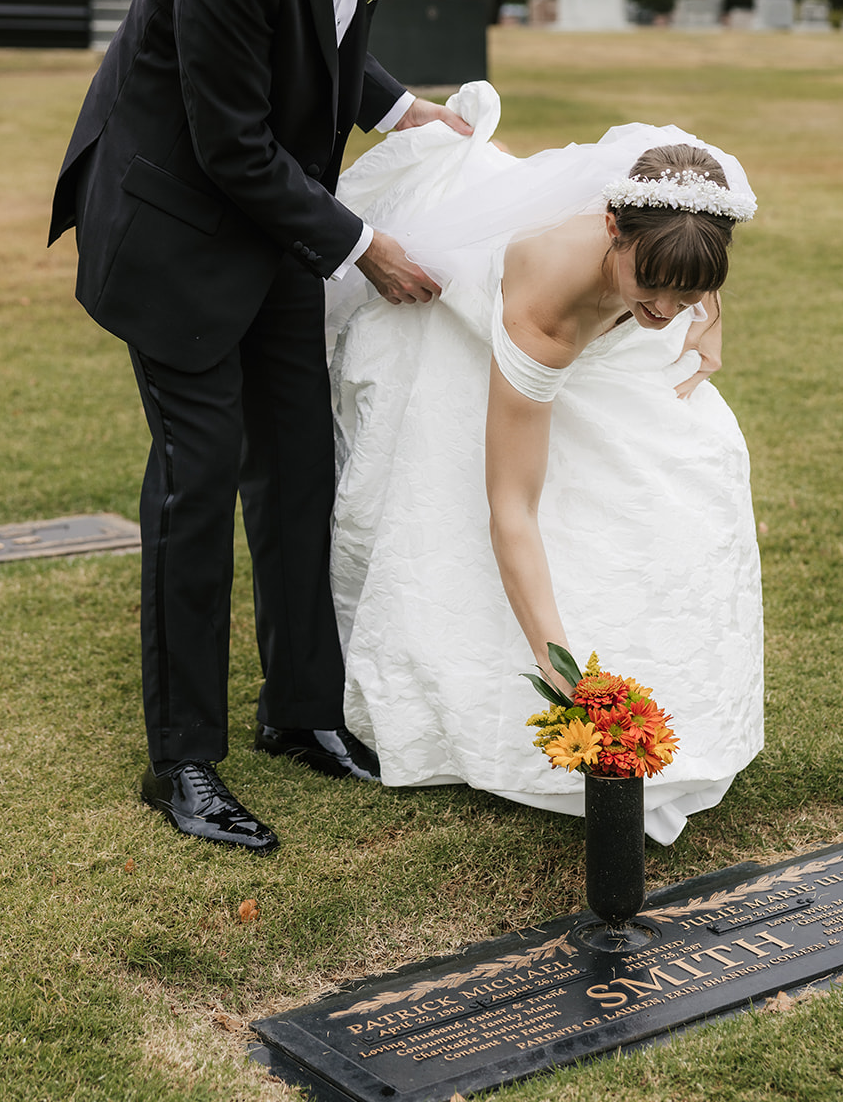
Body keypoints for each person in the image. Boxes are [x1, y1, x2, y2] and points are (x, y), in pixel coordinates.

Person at [48, 0, 472, 854]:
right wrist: (363, 244)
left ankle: (301, 715)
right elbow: (231, 145)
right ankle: (182, 762)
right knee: (199, 484)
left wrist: (396, 108)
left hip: (272, 223)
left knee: (299, 465)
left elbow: (325, 29)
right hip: (177, 230)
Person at [327, 83, 763, 847]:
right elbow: (511, 503)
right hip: (469, 315)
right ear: (609, 229)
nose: (665, 310)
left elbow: (688, 272)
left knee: (699, 473)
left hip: (611, 309)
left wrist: (710, 321)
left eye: (686, 291)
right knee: (534, 502)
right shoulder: (546, 310)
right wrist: (552, 656)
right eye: (649, 288)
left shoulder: (684, 209)